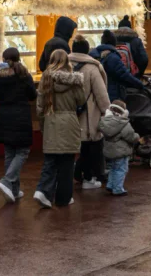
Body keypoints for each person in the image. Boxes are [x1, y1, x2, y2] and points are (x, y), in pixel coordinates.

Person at [33, 49, 86, 208]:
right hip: (69, 121)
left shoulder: (46, 77)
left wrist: (43, 125)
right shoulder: (74, 80)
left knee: (50, 160)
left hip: (51, 121)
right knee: (67, 163)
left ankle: (43, 191)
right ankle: (64, 198)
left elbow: (40, 106)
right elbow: (81, 100)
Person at [0, 47, 37, 203]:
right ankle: (6, 181)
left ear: (4, 59)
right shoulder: (24, 75)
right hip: (21, 116)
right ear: (18, 58)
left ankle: (14, 190)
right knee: (23, 151)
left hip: (4, 116)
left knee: (10, 152)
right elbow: (32, 95)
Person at [68, 37, 111, 190]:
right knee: (91, 145)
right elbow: (101, 94)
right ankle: (88, 177)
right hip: (88, 115)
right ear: (87, 50)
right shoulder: (92, 68)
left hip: (67, 114)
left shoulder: (63, 65)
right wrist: (107, 111)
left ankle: (73, 174)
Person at [99, 100, 140, 196]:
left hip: (110, 151)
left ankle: (110, 185)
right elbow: (131, 136)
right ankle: (118, 189)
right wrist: (137, 136)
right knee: (121, 170)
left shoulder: (105, 121)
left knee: (113, 168)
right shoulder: (123, 123)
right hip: (121, 152)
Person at [93, 29, 144, 102]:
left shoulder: (94, 56)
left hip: (96, 95)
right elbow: (124, 75)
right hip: (111, 95)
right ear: (114, 43)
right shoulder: (113, 58)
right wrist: (140, 84)